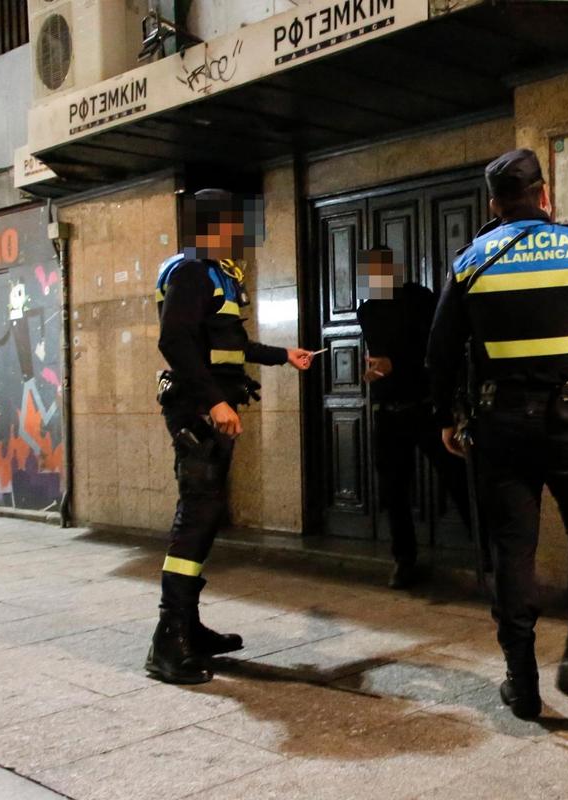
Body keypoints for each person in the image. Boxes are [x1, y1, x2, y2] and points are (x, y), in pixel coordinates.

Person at [428, 148, 568, 720]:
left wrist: (448, 417)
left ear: (493, 203)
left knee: (512, 551)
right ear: (545, 196)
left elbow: (440, 353)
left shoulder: (471, 260)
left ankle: (521, 684)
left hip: (499, 429)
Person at [146, 188, 315, 684]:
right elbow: (174, 340)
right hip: (197, 411)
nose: (242, 236)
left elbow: (229, 344)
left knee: (206, 515)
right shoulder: (191, 270)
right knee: (195, 517)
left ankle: (188, 627)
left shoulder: (215, 273)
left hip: (211, 409)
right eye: (235, 225)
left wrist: (284, 355)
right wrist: (213, 401)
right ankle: (169, 640)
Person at [355, 246, 477, 589]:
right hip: (388, 411)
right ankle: (403, 560)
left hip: (424, 405)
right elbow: (377, 354)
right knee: (393, 488)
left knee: (456, 476)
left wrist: (397, 364)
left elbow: (436, 348)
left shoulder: (420, 299)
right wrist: (376, 373)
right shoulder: (367, 310)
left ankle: (487, 551)